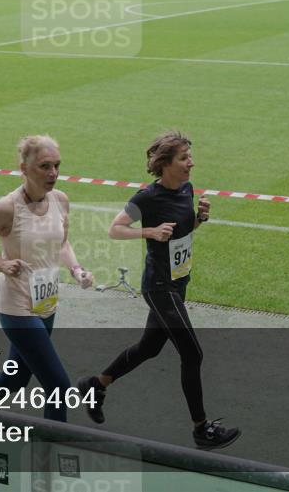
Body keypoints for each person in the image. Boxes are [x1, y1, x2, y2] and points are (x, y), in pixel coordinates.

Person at [76, 130, 241, 450]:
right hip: (159, 286)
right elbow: (115, 229)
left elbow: (183, 230)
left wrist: (200, 220)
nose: (191, 163)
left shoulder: (187, 189)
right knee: (192, 353)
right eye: (184, 158)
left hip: (179, 283)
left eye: (190, 157)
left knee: (149, 348)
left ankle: (96, 384)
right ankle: (201, 429)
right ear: (165, 164)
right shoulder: (147, 197)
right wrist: (150, 231)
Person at [0, 135, 93, 422]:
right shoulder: (7, 208)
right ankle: (47, 458)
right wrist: (1, 263)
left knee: (16, 379)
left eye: (57, 165)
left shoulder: (61, 201)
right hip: (16, 306)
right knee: (58, 386)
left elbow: (61, 244)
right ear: (24, 167)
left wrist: (76, 269)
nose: (53, 173)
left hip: (46, 303)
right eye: (45, 166)